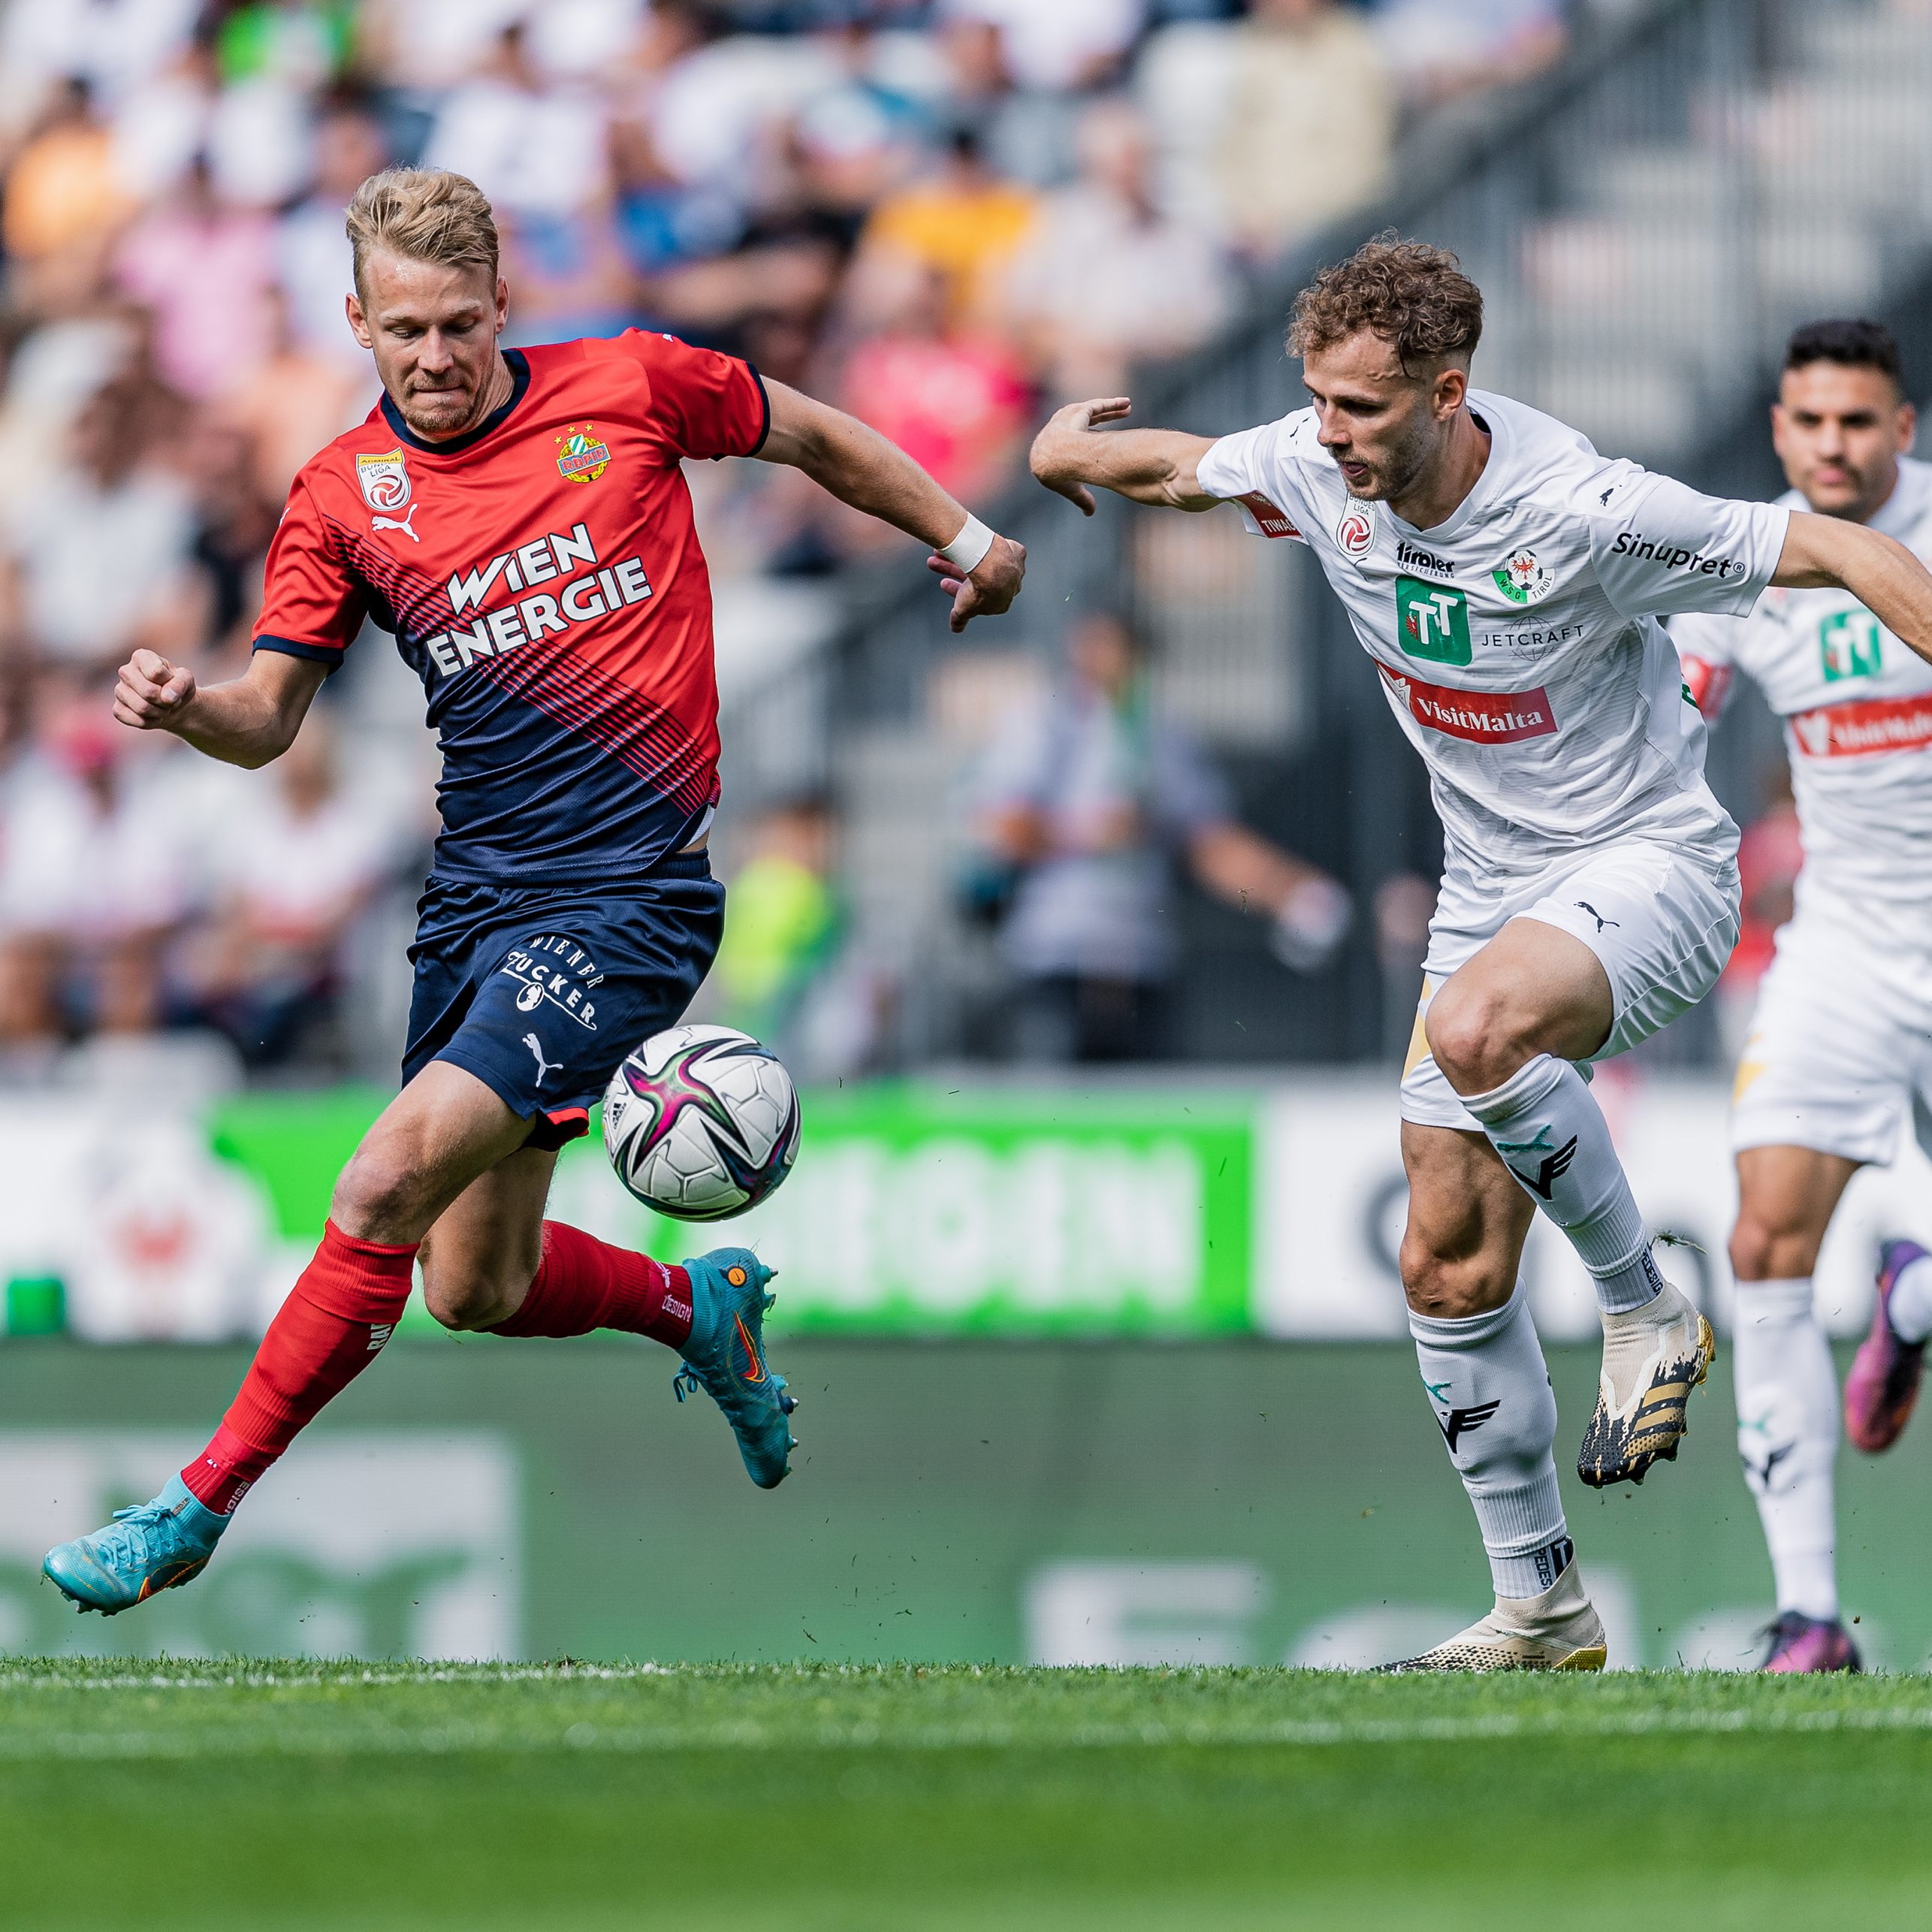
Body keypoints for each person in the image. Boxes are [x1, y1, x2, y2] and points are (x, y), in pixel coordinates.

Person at [43, 165, 1025, 1617]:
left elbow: (809, 431)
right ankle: (698, 1306)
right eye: (406, 331)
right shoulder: (341, 495)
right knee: (473, 1286)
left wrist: (966, 537)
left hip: (628, 900)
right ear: (359, 324)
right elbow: (269, 719)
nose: (437, 357)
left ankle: (193, 1507)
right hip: (474, 908)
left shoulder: (627, 386)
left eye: (461, 323)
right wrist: (194, 710)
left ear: (503, 302)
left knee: (379, 1181)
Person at [1028, 235, 1932, 1671]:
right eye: (1317, 402)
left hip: (1649, 868)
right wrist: (1058, 451)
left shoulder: (1584, 509)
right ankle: (1542, 1607)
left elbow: (1838, 548)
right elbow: (1182, 468)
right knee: (1445, 1263)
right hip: (1490, 895)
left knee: (1471, 1029)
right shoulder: (1318, 466)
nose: (1329, 434)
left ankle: (1644, 1303)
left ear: (1447, 395)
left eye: (1361, 408)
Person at [1672, 318, 1932, 1674]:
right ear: (1779, 429)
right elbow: (1667, 725)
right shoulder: (1740, 562)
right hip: (1845, 947)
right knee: (1764, 1242)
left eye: (1858, 421)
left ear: (1903, 429)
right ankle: (1811, 1617)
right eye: (1809, 422)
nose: (1833, 444)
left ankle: (1913, 1299)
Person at [974, 609, 1351, 1063]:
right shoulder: (1046, 722)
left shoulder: (1161, 734)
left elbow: (1209, 841)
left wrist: (1291, 891)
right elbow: (1001, 829)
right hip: (1058, 961)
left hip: (1142, 967)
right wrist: (1090, 832)